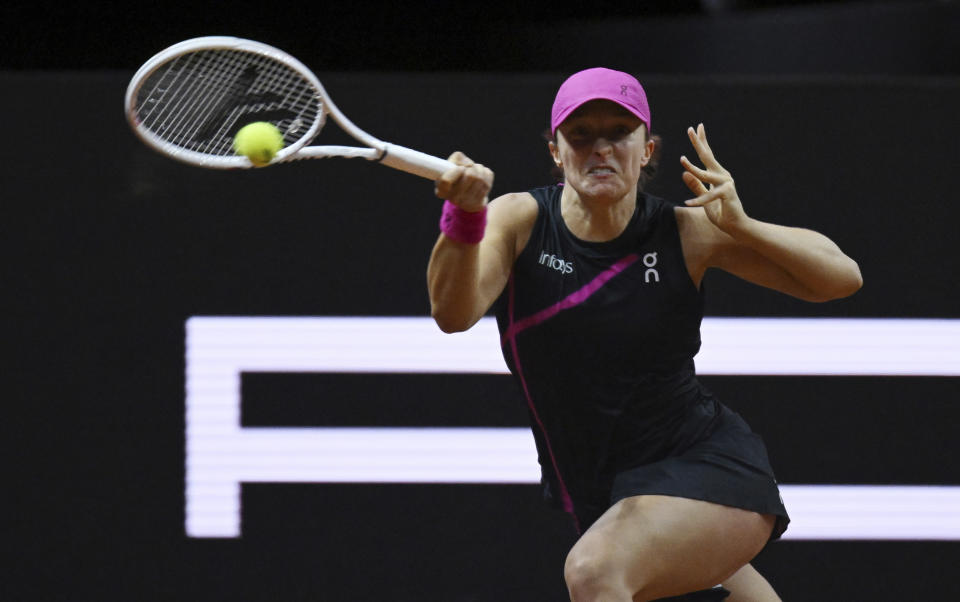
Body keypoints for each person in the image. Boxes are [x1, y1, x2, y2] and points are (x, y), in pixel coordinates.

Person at [426, 68, 862, 602]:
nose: (600, 148)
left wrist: (743, 225)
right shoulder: (519, 220)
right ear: (557, 153)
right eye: (580, 135)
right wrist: (464, 218)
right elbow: (453, 312)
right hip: (611, 494)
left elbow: (841, 278)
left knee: (593, 572)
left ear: (647, 149)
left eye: (618, 133)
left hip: (706, 466)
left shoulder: (687, 230)